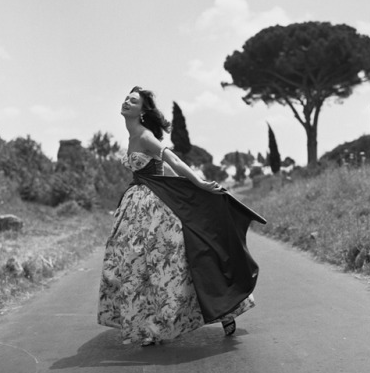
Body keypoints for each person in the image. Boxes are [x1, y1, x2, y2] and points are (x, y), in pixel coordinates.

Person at [97, 86, 265, 346]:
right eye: (126, 99)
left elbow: (172, 160)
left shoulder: (144, 136)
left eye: (134, 101)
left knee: (177, 262)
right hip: (136, 204)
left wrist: (197, 184)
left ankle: (226, 310)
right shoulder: (131, 138)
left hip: (154, 207)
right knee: (137, 265)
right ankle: (150, 325)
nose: (127, 103)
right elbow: (161, 170)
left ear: (143, 111)